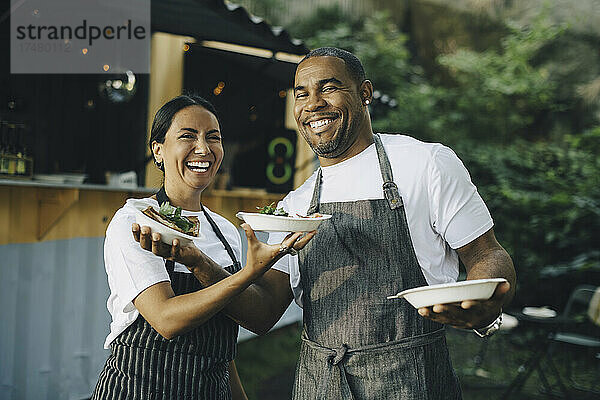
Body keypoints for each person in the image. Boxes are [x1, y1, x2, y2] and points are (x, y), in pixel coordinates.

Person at [133, 48, 516, 399]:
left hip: (411, 379)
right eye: (301, 93)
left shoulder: (425, 163)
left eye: (329, 88)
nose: (313, 104)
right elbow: (262, 313)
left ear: (364, 93)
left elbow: (487, 254)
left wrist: (485, 305)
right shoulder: (296, 205)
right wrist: (197, 260)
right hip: (321, 382)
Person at [92, 94, 315, 400]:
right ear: (158, 150)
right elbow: (166, 320)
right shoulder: (135, 220)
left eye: (213, 137)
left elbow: (221, 345)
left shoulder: (224, 229)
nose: (203, 148)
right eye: (187, 136)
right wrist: (249, 273)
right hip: (139, 388)